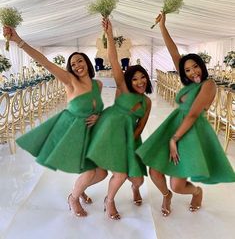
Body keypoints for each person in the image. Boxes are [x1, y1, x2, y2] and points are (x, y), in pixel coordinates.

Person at [136, 12, 235, 217]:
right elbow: (174, 54)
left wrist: (174, 139)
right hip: (174, 125)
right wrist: (163, 26)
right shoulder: (188, 83)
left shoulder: (209, 84)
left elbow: (192, 114)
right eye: (188, 70)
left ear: (202, 66)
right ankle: (166, 195)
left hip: (190, 131)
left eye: (195, 67)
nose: (192, 72)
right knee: (154, 170)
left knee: (178, 184)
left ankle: (196, 191)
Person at [3, 26, 107, 217]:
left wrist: (98, 116)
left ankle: (79, 188)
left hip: (93, 134)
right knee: (92, 172)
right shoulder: (69, 80)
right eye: (73, 63)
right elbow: (44, 61)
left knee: (102, 173)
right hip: (74, 133)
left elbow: (97, 109)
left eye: (80, 61)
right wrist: (18, 40)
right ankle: (73, 198)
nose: (77, 65)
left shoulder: (97, 84)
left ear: (87, 62)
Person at [86, 18, 152, 220]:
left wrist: (131, 139)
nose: (139, 81)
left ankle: (135, 189)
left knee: (138, 179)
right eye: (135, 78)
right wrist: (109, 34)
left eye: (143, 78)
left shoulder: (146, 102)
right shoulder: (122, 89)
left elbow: (141, 125)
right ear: (128, 81)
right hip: (110, 134)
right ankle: (109, 201)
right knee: (118, 174)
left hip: (130, 137)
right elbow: (114, 60)